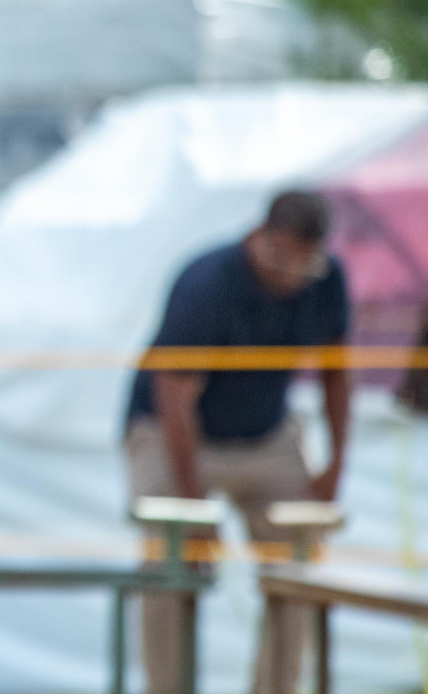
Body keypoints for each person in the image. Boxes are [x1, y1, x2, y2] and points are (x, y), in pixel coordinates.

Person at [123, 190, 351, 694]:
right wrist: (191, 504)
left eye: (303, 265)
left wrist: (336, 464)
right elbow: (174, 395)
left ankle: (277, 687)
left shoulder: (328, 282)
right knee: (171, 560)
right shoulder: (206, 282)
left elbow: (338, 373)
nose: (290, 277)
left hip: (265, 432)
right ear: (260, 236)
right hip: (174, 431)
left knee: (299, 566)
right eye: (281, 260)